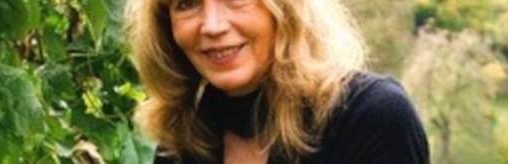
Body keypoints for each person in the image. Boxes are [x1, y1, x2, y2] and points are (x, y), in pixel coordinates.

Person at [124, 0, 429, 163]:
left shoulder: (372, 118)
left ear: (285, 8)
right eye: (187, 3)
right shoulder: (185, 137)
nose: (212, 25)